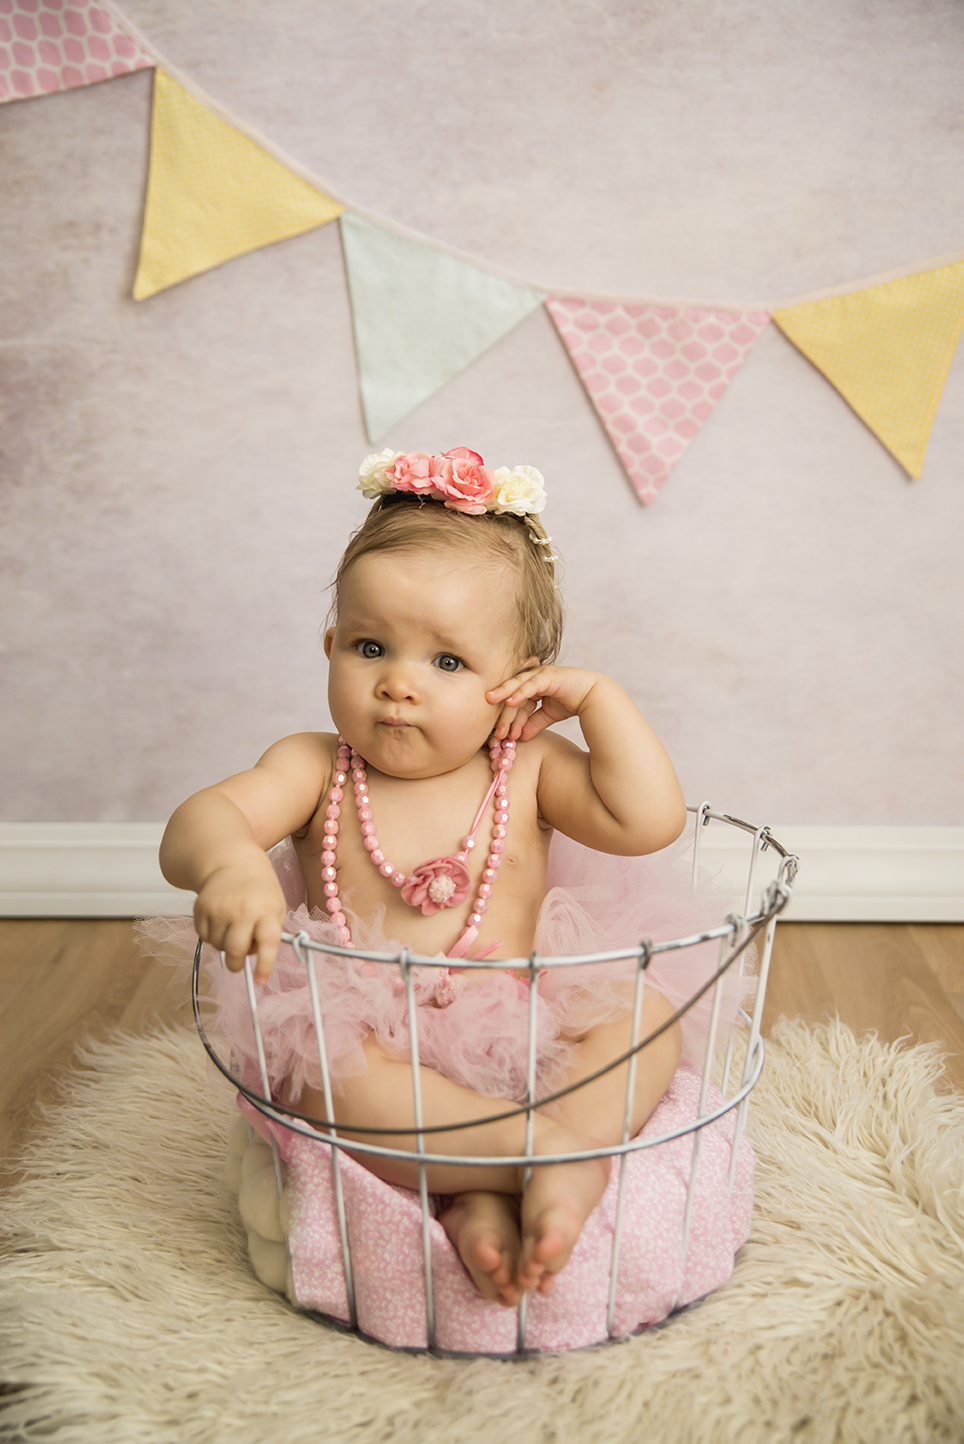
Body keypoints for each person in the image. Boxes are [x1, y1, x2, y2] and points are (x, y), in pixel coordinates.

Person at [158, 446, 701, 1311]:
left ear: (516, 685)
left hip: (526, 1023)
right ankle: (528, 1155)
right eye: (372, 647)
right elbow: (202, 819)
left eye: (448, 663)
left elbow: (648, 822)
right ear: (332, 646)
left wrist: (601, 700)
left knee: (645, 1018)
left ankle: (553, 1156)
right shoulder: (312, 766)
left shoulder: (526, 767)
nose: (400, 684)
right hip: (371, 1033)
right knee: (316, 1073)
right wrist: (229, 866)